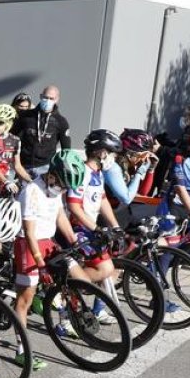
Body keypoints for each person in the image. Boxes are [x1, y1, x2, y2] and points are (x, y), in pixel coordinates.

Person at [12, 150, 89, 370]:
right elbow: (28, 232)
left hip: (48, 240)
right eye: (62, 185)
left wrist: (74, 241)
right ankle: (22, 351)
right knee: (24, 300)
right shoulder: (32, 191)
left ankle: (64, 321)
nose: (63, 190)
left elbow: (60, 215)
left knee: (75, 279)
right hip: (29, 245)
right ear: (52, 174)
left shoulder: (56, 187)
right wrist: (40, 264)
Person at [65, 130, 124, 326]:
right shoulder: (81, 172)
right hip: (77, 228)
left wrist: (115, 226)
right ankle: (65, 293)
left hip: (91, 227)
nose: (114, 159)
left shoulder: (99, 173)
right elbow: (74, 207)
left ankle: (80, 297)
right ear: (101, 153)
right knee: (104, 268)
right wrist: (97, 229)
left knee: (111, 268)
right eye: (113, 153)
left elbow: (102, 199)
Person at [12, 85, 71, 179]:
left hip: (45, 168)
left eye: (51, 98)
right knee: (20, 193)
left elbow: (66, 150)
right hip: (23, 166)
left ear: (57, 99)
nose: (48, 100)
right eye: (45, 97)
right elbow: (12, 137)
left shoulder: (61, 121)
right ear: (40, 96)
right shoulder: (26, 116)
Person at [105, 129, 158, 221]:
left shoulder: (129, 166)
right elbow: (127, 198)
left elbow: (143, 192)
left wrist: (151, 170)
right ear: (131, 154)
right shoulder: (114, 167)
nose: (146, 158)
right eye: (145, 154)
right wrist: (138, 174)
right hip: (105, 214)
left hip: (116, 210)